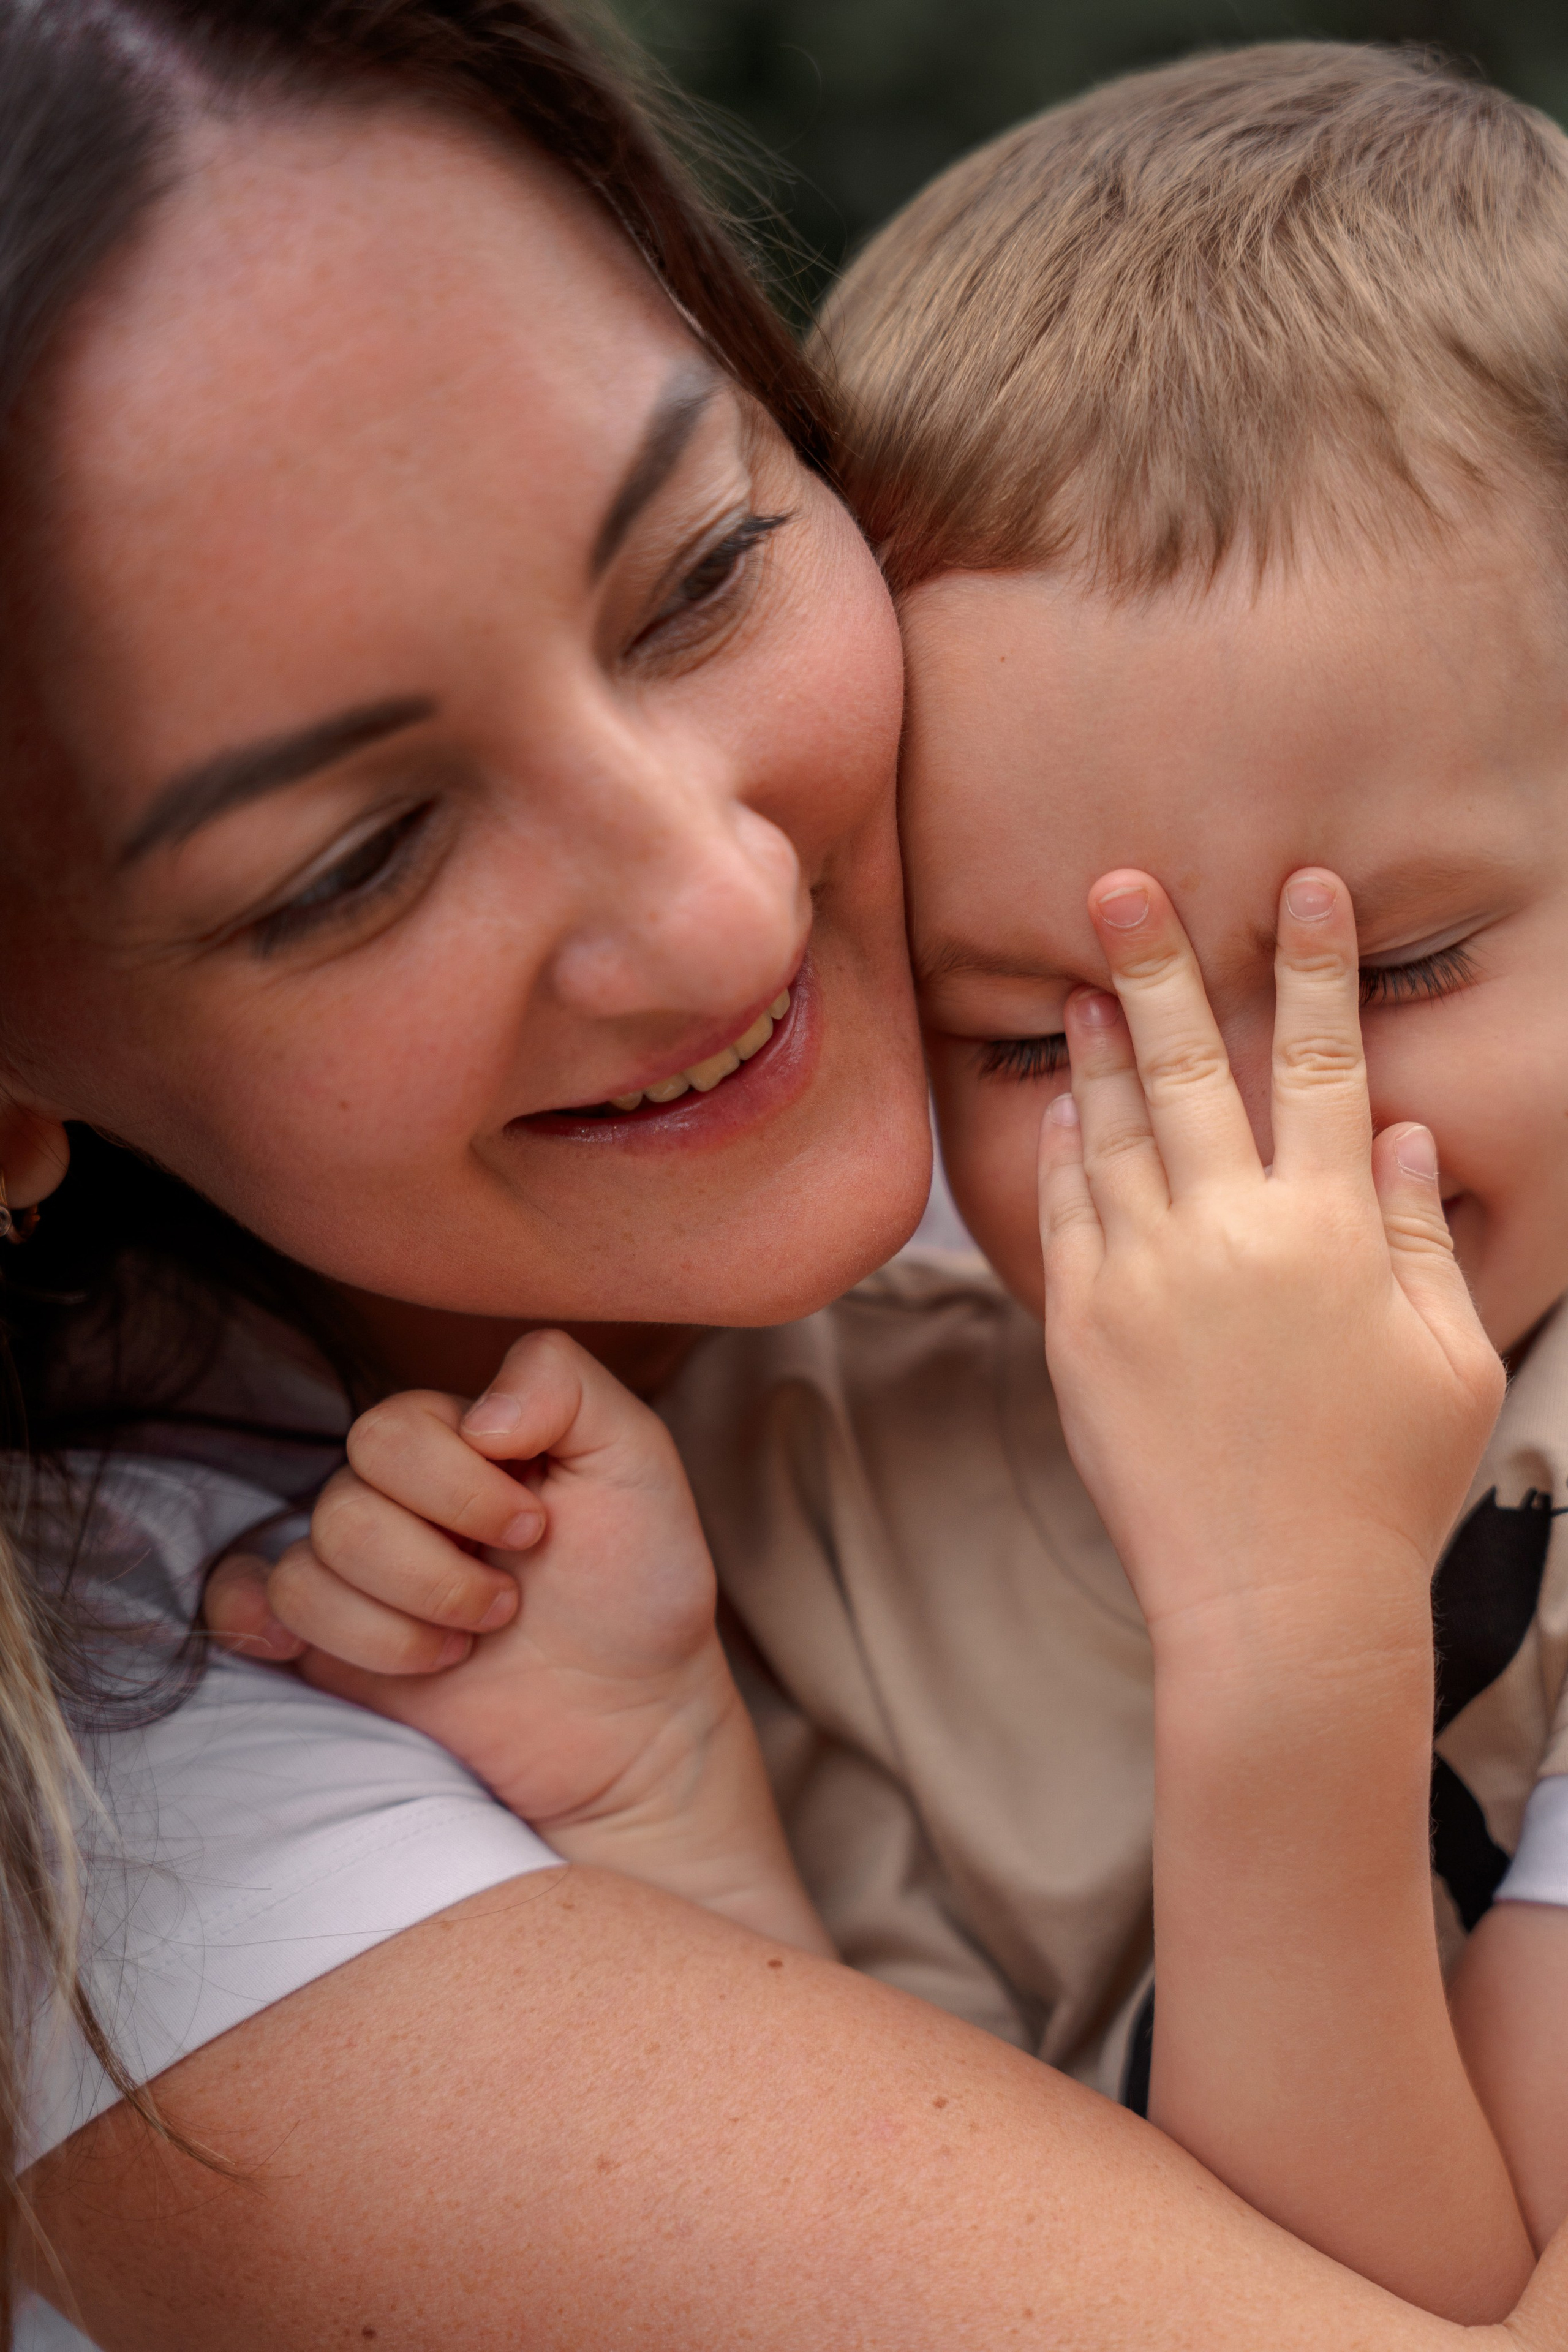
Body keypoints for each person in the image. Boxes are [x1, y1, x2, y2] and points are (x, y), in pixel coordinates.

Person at [9, 5, 1561, 2348]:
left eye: (705, 572)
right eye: (360, 860)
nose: (740, 919)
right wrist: (665, 1791)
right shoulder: (229, 1708)